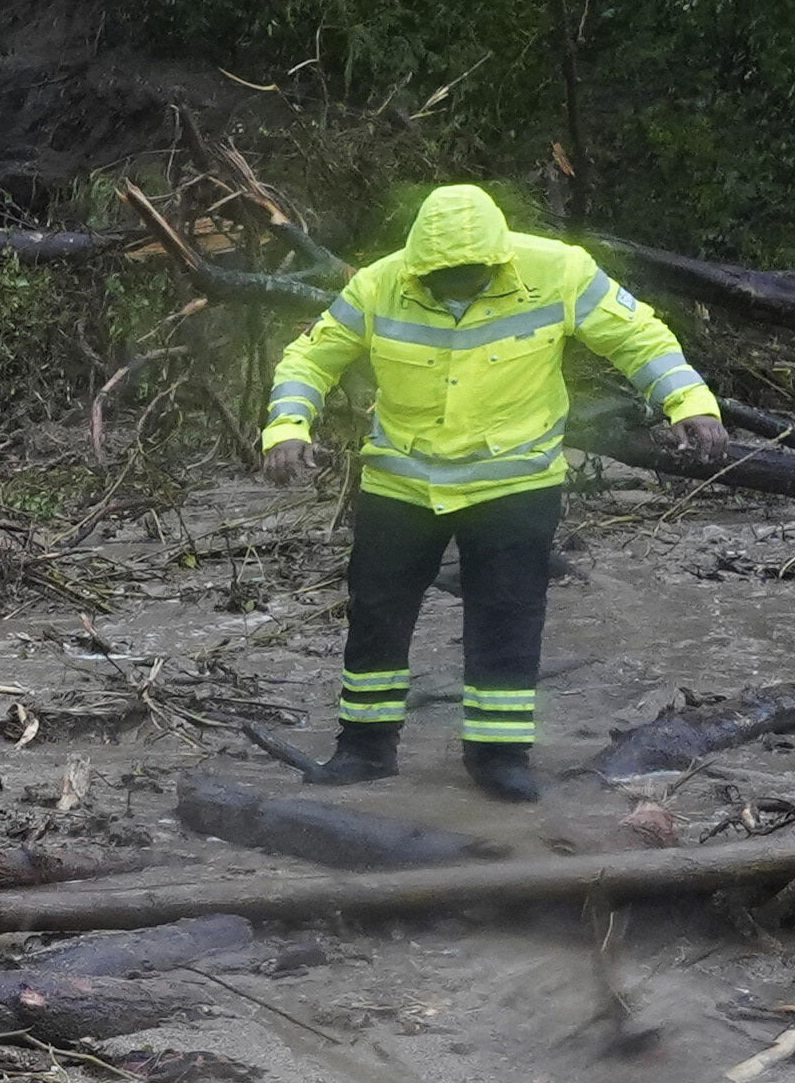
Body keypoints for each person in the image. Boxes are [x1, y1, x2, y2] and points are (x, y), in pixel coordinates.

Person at [262, 182, 730, 802]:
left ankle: (498, 758)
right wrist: (287, 427)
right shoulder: (379, 283)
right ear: (417, 263)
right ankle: (364, 750)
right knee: (376, 615)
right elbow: (309, 359)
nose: (456, 284)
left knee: (506, 617)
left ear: (500, 257)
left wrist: (690, 403)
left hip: (515, 482)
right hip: (402, 482)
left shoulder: (560, 271)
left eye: (470, 274)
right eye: (441, 276)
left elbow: (638, 336)